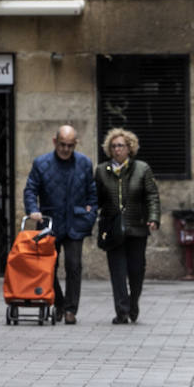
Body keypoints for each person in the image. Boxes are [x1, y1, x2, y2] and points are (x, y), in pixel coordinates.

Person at [24, 125, 96, 324]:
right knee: (48, 267)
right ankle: (59, 302)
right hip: (50, 222)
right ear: (55, 142)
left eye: (70, 146)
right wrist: (33, 210)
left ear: (75, 144)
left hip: (75, 223)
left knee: (74, 266)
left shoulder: (84, 163)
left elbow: (92, 193)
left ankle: (71, 310)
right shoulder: (41, 163)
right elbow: (30, 189)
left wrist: (90, 216)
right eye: (63, 145)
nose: (66, 149)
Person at [95, 128, 160, 324]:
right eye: (114, 146)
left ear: (129, 148)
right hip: (113, 228)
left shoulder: (142, 169)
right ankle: (122, 311)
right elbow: (96, 198)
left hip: (137, 227)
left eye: (121, 146)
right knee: (117, 271)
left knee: (136, 270)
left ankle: (133, 302)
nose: (117, 150)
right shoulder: (102, 171)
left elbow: (151, 196)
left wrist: (154, 218)